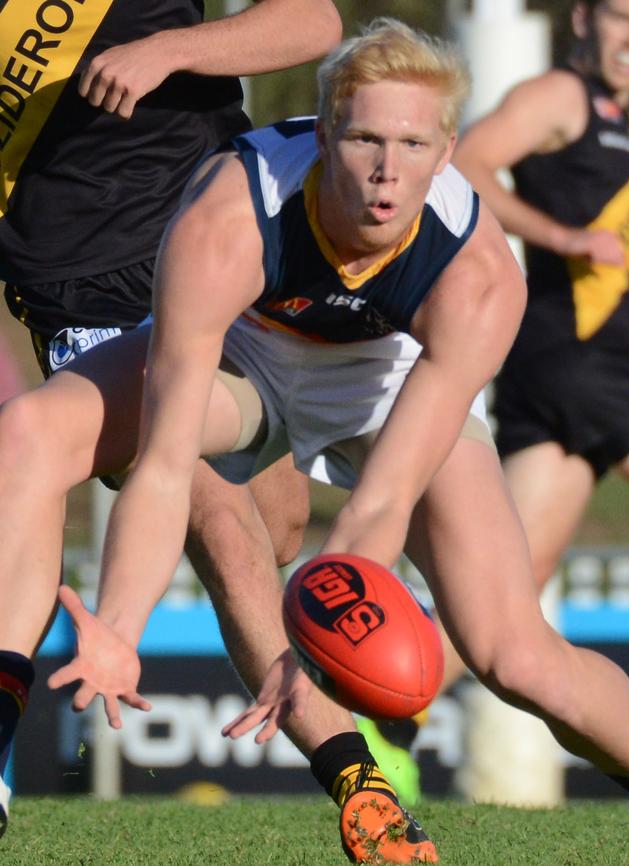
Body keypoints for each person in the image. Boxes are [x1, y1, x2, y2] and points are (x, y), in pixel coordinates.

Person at [35, 15, 629, 861]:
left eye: (411, 144)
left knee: (517, 657)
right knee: (40, 430)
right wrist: (121, 625)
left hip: (387, 381)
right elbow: (170, 459)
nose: (387, 171)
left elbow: (385, 497)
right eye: (363, 137)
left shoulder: (477, 279)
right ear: (324, 133)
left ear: (447, 149)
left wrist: (322, 651)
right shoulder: (230, 213)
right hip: (250, 358)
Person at [0, 0, 395, 847]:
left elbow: (315, 23)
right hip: (87, 282)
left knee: (276, 532)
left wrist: (173, 50)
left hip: (224, 242)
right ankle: (362, 788)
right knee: (215, 513)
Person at [443, 0, 629, 689]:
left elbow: (623, 253)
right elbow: (466, 162)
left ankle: (388, 710)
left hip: (573, 374)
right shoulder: (562, 96)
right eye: (622, 18)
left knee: (507, 593)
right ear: (585, 20)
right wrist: (560, 239)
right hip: (579, 365)